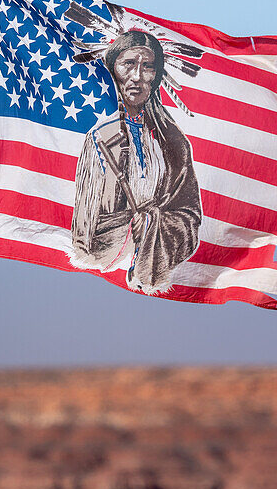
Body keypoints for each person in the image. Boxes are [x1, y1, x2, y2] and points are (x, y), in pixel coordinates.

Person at [69, 30, 202, 294]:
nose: (137, 76)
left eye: (148, 67)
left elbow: (190, 216)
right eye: (128, 64)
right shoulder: (99, 139)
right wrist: (128, 228)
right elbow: (83, 232)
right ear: (113, 70)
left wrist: (155, 223)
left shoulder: (174, 143)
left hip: (153, 278)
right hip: (98, 279)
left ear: (157, 76)